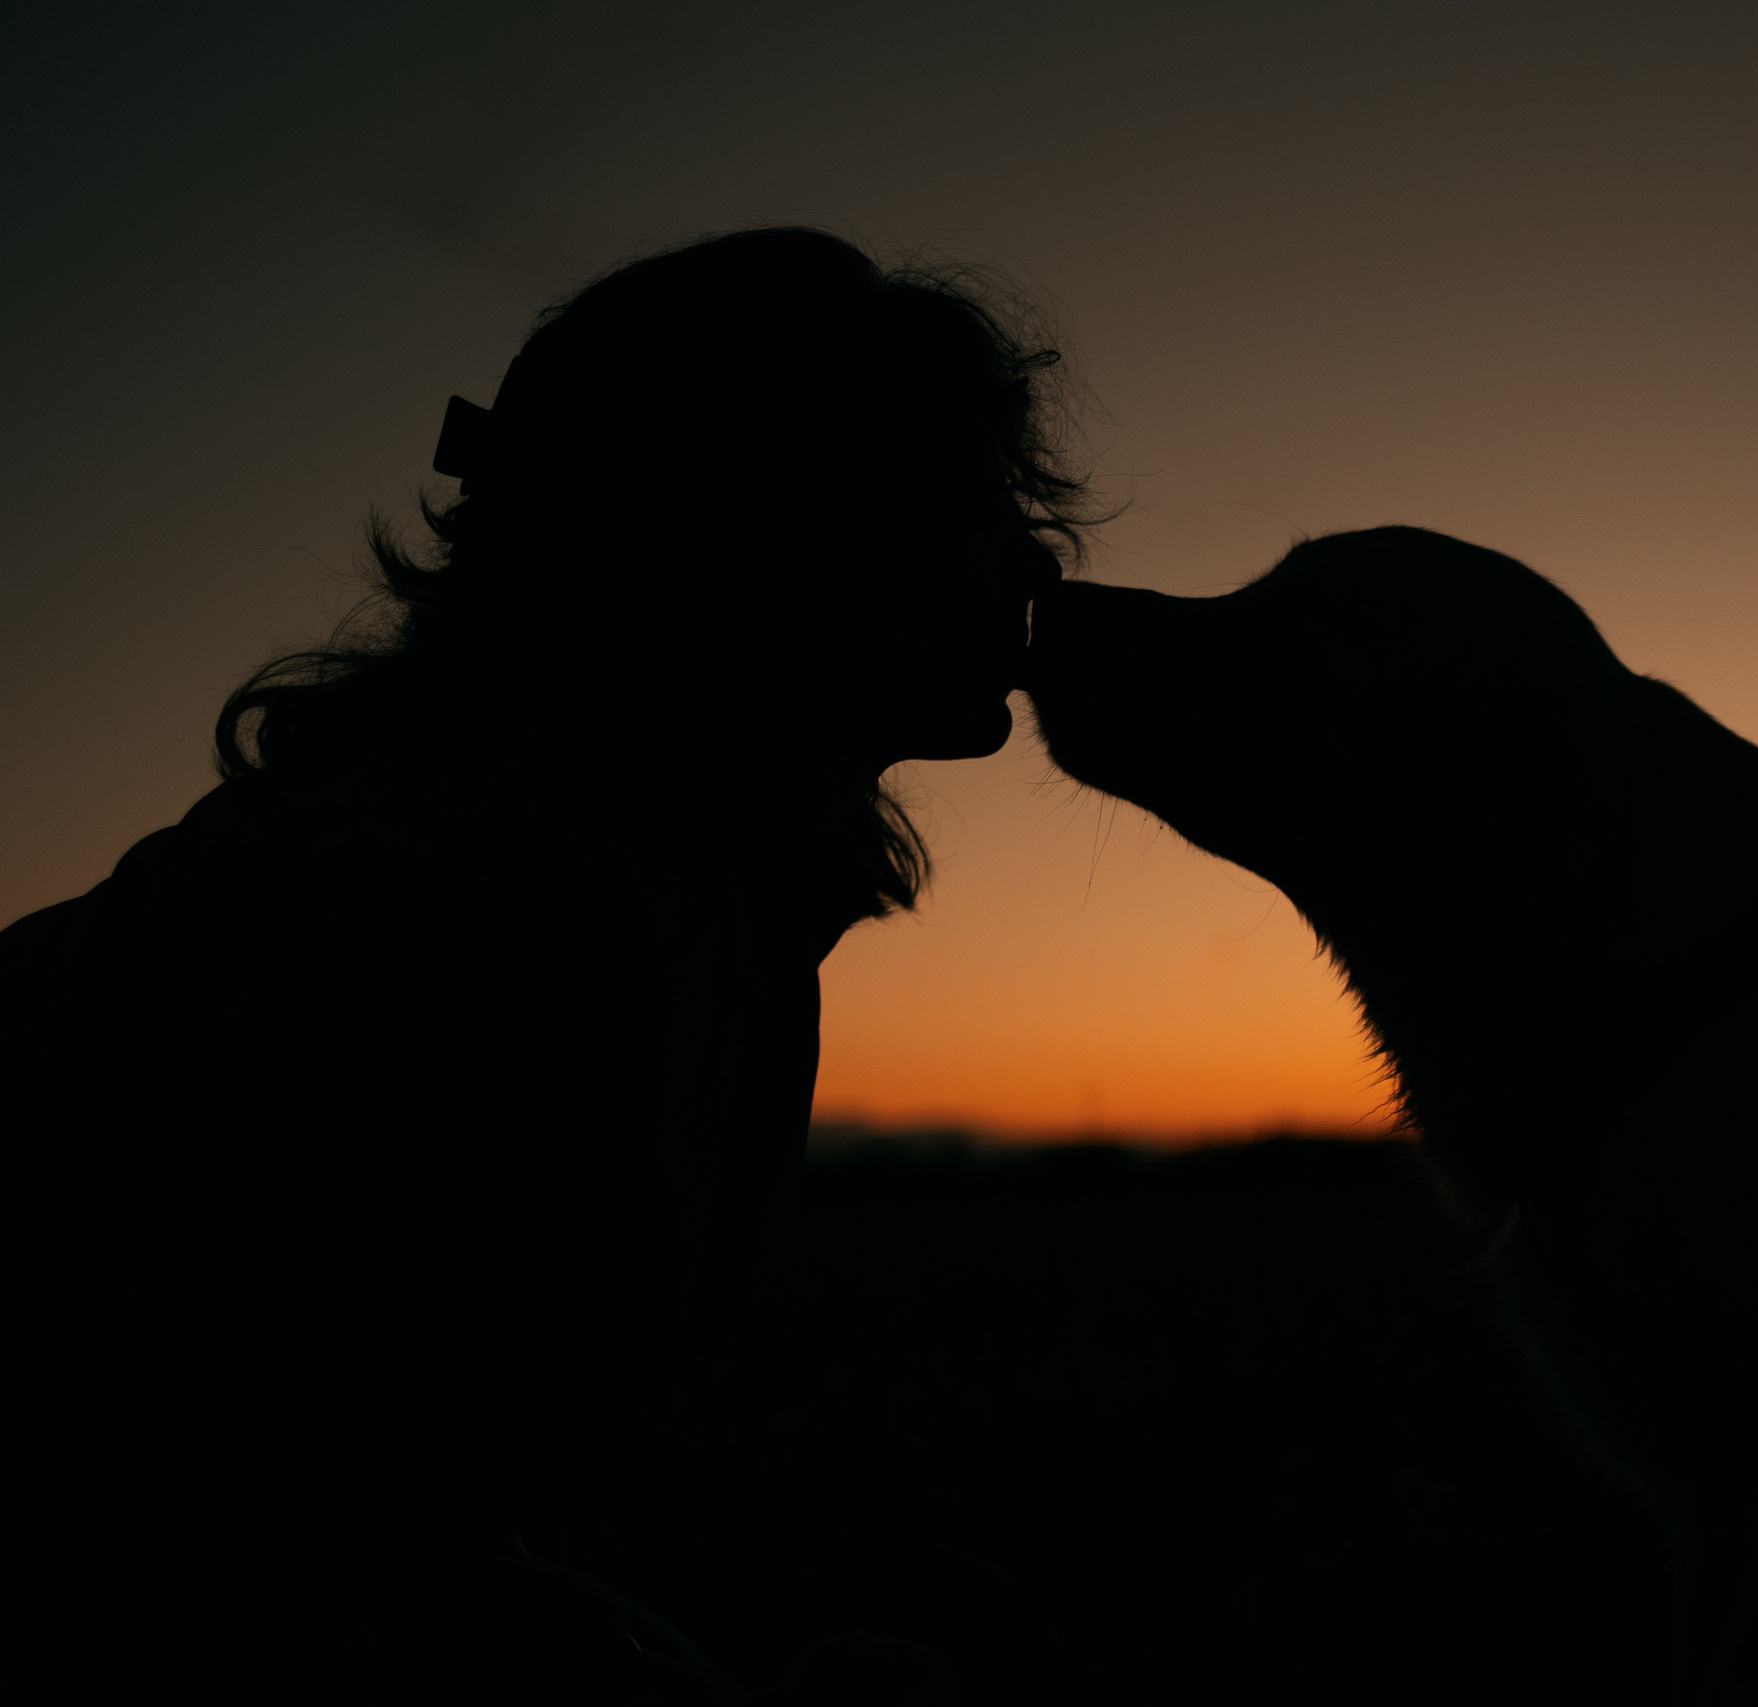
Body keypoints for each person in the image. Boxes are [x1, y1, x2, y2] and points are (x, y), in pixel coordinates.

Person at [2, 228, 1087, 1700]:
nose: (1033, 556)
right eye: (964, 498)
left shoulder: (704, 894)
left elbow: (490, 1493)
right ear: (761, 529)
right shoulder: (465, 919)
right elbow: (233, 1548)